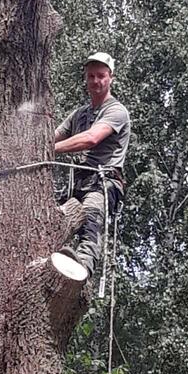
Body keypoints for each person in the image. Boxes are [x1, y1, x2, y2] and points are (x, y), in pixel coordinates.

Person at [55, 52, 130, 277]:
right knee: (54, 220)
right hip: (79, 184)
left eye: (101, 76)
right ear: (86, 79)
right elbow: (55, 135)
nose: (96, 81)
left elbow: (91, 138)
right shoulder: (80, 114)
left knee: (90, 219)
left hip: (103, 183)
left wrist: (50, 149)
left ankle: (82, 272)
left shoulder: (116, 111)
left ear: (110, 78)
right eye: (91, 76)